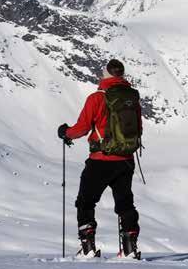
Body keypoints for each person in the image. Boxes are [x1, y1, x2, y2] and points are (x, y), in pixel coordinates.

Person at [58, 59, 142, 258]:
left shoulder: (97, 97)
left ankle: (88, 249)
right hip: (126, 159)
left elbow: (82, 127)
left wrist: (65, 133)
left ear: (105, 75)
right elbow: (138, 128)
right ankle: (129, 249)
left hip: (101, 159)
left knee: (85, 202)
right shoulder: (132, 97)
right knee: (125, 203)